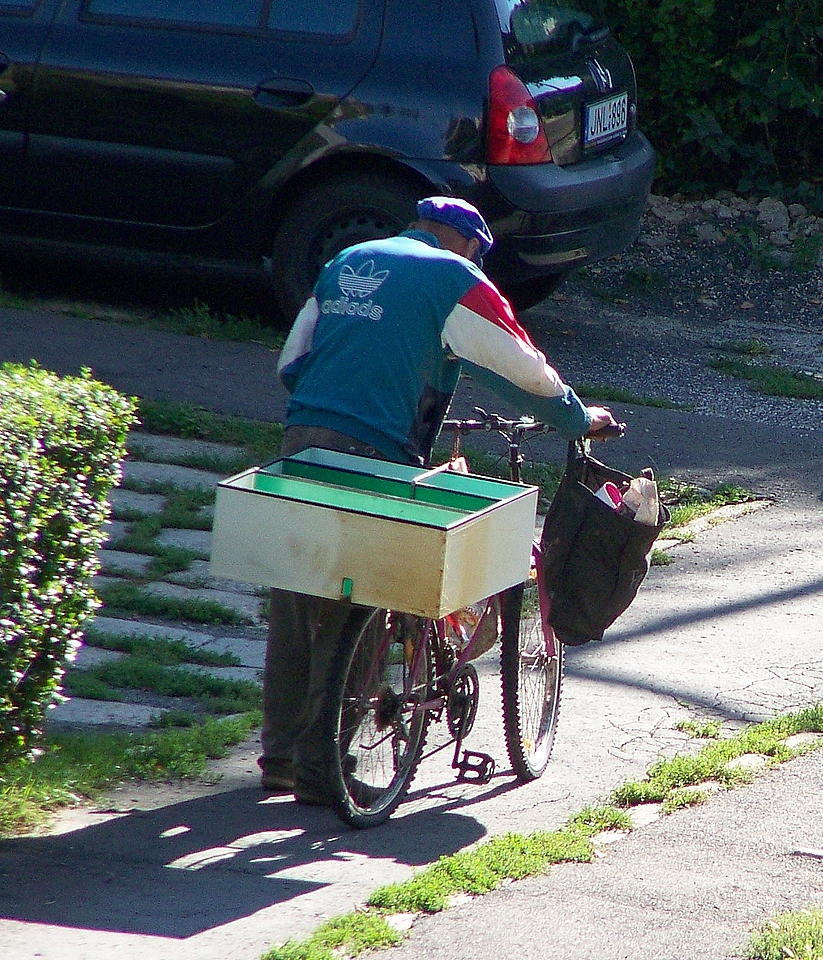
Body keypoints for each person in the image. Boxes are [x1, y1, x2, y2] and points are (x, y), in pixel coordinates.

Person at [260, 196, 615, 804]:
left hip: (302, 438)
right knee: (365, 594)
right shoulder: (454, 276)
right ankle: (326, 764)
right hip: (375, 449)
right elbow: (520, 365)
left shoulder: (349, 259)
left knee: (298, 592)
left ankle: (281, 757)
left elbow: (292, 363)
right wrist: (576, 419)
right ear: (470, 244)